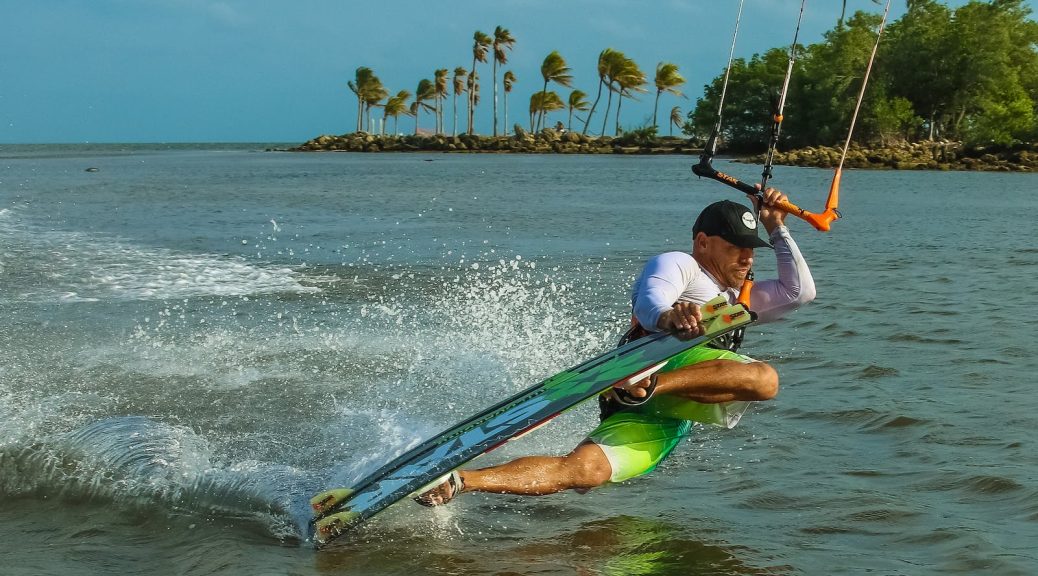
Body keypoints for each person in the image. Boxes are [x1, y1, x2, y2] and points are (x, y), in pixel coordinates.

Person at [415, 189, 815, 505]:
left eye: (751, 248)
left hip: (669, 404)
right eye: (735, 246)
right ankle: (645, 384)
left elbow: (798, 293)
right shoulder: (680, 263)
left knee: (585, 472)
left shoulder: (738, 297)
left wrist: (776, 227)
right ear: (704, 242)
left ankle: (461, 482)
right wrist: (667, 317)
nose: (746, 257)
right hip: (643, 370)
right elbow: (650, 298)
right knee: (766, 378)